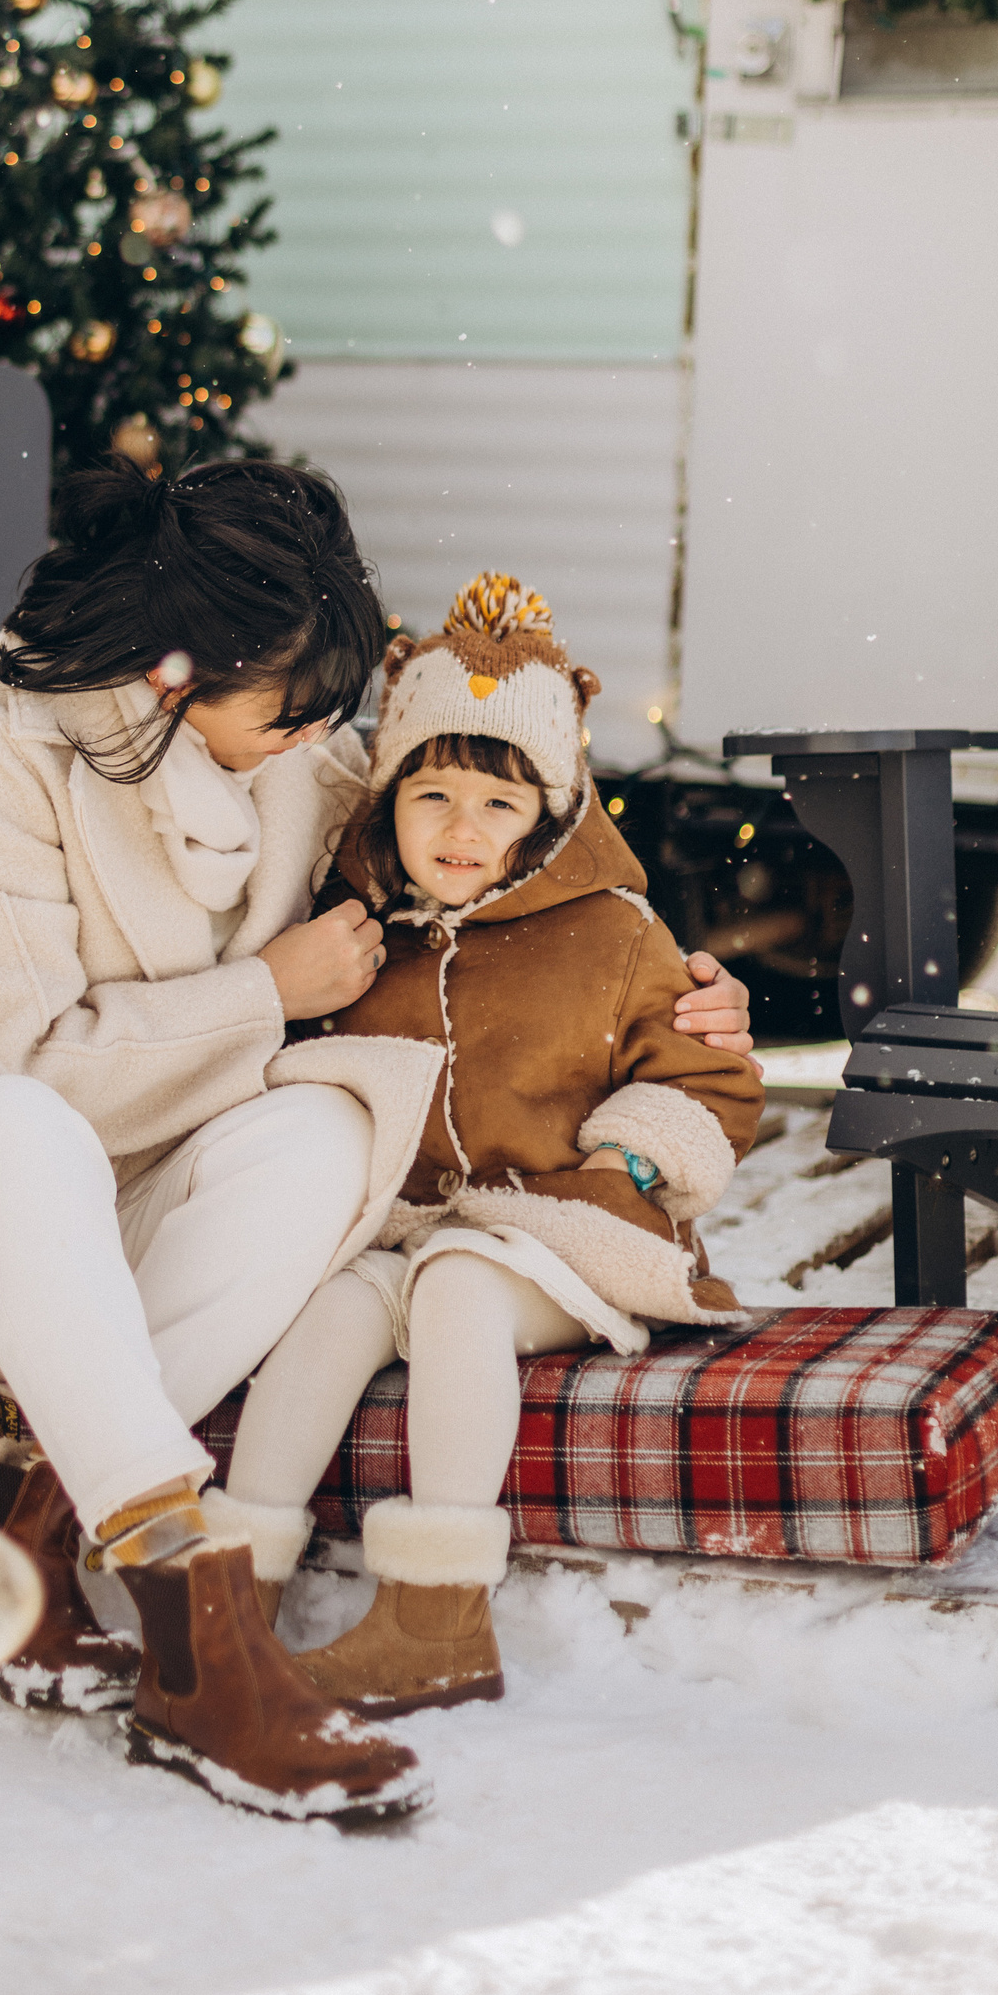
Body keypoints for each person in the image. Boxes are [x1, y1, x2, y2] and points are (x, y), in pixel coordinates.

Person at [0, 475, 754, 1819]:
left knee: (331, 1121)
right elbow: (12, 1066)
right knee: (18, 1120)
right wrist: (265, 992)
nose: (314, 740)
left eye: (330, 714)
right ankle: (196, 1634)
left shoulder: (290, 761)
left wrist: (677, 996)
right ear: (173, 671)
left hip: (87, 1247)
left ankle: (35, 1519)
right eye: (289, 712)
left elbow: (492, 866)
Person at [204, 572, 763, 1718]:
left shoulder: (611, 934)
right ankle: (228, 1597)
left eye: (500, 805)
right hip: (410, 1228)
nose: (462, 830)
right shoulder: (359, 935)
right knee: (335, 1306)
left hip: (565, 1235)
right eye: (434, 795)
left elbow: (704, 1076)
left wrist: (629, 1166)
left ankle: (436, 1617)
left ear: (548, 816)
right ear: (388, 799)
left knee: (460, 1281)